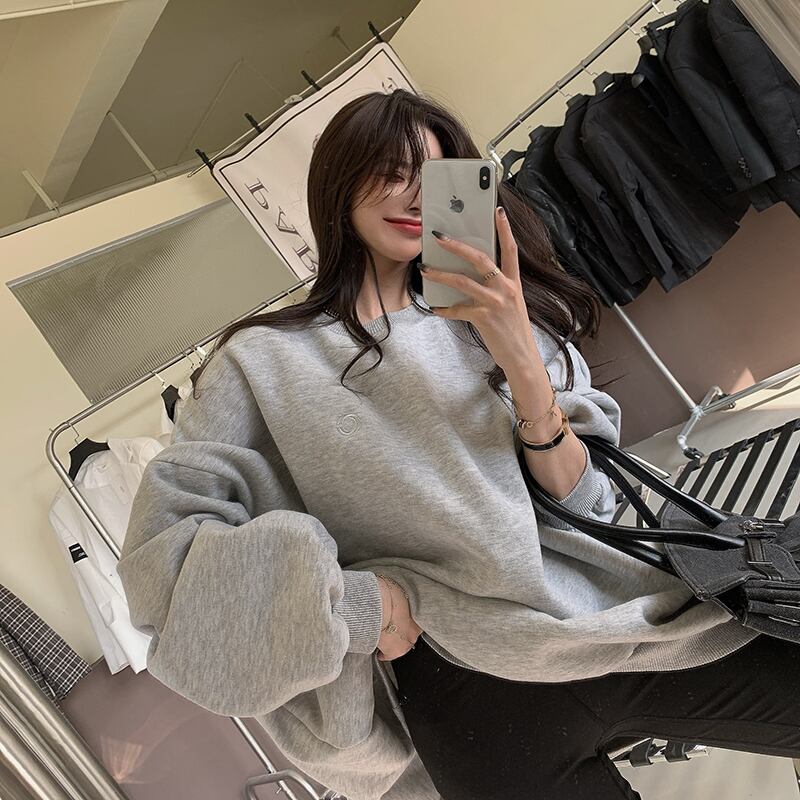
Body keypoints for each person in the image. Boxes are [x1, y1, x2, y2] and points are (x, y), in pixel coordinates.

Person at [117, 88, 800, 800]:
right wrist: (361, 604)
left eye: (435, 175)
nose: (415, 194)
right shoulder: (260, 362)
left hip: (609, 623)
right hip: (466, 695)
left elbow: (590, 502)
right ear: (338, 186)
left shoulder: (503, 315)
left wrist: (521, 358)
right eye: (389, 171)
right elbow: (165, 563)